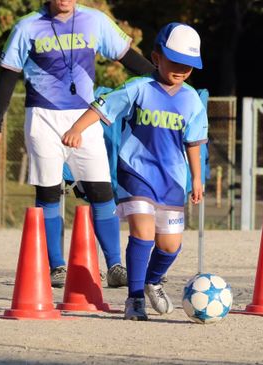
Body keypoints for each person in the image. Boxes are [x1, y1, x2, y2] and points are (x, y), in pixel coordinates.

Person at [0, 0, 155, 288]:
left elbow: (128, 57)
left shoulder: (95, 21)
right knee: (49, 192)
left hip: (85, 116)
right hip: (42, 117)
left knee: (101, 190)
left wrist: (161, 82)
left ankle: (114, 266)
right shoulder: (26, 26)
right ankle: (57, 267)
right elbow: (8, 76)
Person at [62, 22, 208, 321]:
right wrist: (77, 129)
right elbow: (103, 108)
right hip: (136, 173)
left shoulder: (192, 99)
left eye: (189, 66)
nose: (181, 70)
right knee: (142, 230)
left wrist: (196, 177)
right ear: (156, 57)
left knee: (170, 245)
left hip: (171, 180)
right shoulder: (138, 87)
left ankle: (153, 281)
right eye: (175, 62)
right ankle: (134, 298)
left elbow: (193, 141)